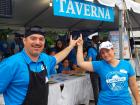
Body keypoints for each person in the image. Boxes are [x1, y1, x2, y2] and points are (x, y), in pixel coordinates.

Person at [0, 26, 78, 105]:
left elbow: (57, 57)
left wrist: (70, 46)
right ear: (24, 41)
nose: (37, 42)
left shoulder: (45, 59)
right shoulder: (10, 63)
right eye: (33, 38)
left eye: (41, 39)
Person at [76, 35, 140, 105]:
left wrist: (138, 101)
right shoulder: (99, 65)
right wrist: (80, 46)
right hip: (105, 102)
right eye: (102, 53)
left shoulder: (126, 65)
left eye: (107, 51)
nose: (105, 54)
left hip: (124, 102)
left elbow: (133, 85)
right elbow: (80, 63)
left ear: (113, 50)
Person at [87, 32, 101, 105]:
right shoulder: (101, 49)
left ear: (92, 41)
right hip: (101, 69)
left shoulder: (90, 50)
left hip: (94, 70)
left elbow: (89, 61)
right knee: (101, 88)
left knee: (96, 89)